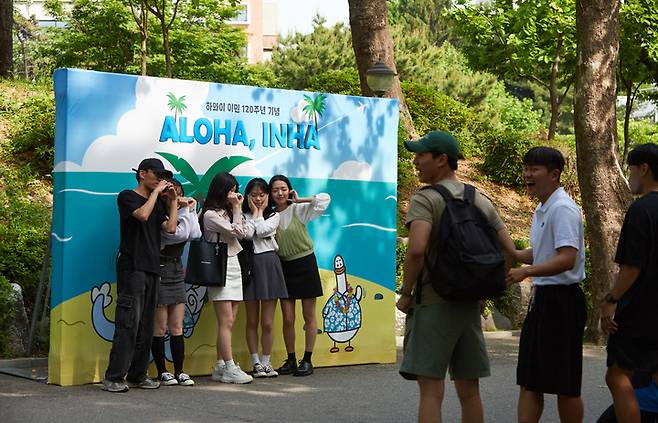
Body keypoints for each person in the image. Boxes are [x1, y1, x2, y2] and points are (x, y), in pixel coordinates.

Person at [396, 131, 516, 423]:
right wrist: (482, 293)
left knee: (431, 391)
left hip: (432, 302)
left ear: (441, 159)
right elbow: (509, 251)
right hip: (468, 306)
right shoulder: (480, 200)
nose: (415, 161)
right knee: (469, 390)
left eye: (421, 155)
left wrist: (407, 292)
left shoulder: (426, 199)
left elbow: (416, 251)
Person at [507, 146, 587, 423]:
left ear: (554, 174)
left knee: (565, 385)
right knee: (530, 380)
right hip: (542, 300)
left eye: (534, 169)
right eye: (526, 168)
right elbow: (544, 252)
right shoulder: (543, 207)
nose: (527, 174)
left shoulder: (562, 209)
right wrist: (516, 256)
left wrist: (526, 271)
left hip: (562, 302)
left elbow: (567, 258)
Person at [102, 158, 178, 392]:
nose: (161, 178)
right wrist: (156, 193)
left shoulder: (159, 203)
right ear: (142, 173)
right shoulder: (127, 196)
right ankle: (114, 377)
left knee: (146, 325)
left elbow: (171, 229)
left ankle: (138, 374)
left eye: (163, 175)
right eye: (157, 174)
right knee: (128, 323)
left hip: (153, 268)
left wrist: (173, 202)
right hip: (132, 266)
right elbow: (142, 215)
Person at [601, 143, 658, 423]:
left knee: (617, 375)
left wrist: (611, 299)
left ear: (644, 168)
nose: (629, 176)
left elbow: (631, 267)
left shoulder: (641, 210)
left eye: (631, 169)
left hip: (641, 310)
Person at [269, 175, 330, 377]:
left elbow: (325, 199)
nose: (280, 193)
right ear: (270, 194)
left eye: (283, 189)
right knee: (287, 318)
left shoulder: (299, 210)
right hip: (284, 267)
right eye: (275, 190)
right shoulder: (270, 216)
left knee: (308, 315)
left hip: (305, 264)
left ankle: (307, 360)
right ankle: (291, 359)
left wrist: (300, 199)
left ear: (290, 190)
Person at [204, 172, 253, 384]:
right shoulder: (209, 215)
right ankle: (231, 367)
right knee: (226, 320)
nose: (234, 194)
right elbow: (237, 232)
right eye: (231, 190)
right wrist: (236, 208)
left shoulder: (226, 212)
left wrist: (234, 209)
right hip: (219, 266)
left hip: (234, 264)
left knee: (229, 321)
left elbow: (243, 232)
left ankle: (220, 366)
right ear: (221, 190)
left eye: (235, 189)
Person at [151, 178, 201, 387]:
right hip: (161, 269)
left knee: (177, 325)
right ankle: (162, 371)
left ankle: (180, 370)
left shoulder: (181, 212)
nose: (177, 196)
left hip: (176, 269)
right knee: (160, 327)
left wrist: (190, 210)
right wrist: (184, 210)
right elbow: (177, 234)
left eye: (179, 192)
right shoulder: (158, 214)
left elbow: (195, 234)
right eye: (171, 192)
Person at [242, 178, 289, 378]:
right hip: (250, 266)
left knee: (268, 322)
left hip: (270, 265)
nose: (258, 198)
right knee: (252, 320)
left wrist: (258, 214)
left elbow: (260, 231)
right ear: (247, 196)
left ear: (267, 196)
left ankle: (267, 362)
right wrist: (254, 214)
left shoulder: (274, 215)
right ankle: (255, 363)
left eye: (262, 194)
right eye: (254, 195)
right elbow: (248, 234)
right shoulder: (241, 215)